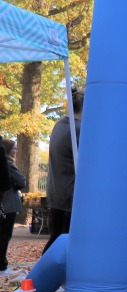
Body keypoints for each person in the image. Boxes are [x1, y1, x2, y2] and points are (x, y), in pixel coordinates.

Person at [44, 85, 84, 254]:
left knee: (56, 237)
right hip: (70, 194)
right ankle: (42, 276)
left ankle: (42, 275)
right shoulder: (78, 129)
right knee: (64, 241)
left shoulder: (59, 124)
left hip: (56, 192)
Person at [1, 139, 26, 278]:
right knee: (5, 235)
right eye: (14, 148)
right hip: (8, 203)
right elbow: (22, 180)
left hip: (4, 203)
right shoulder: (8, 164)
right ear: (7, 149)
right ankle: (2, 266)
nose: (16, 151)